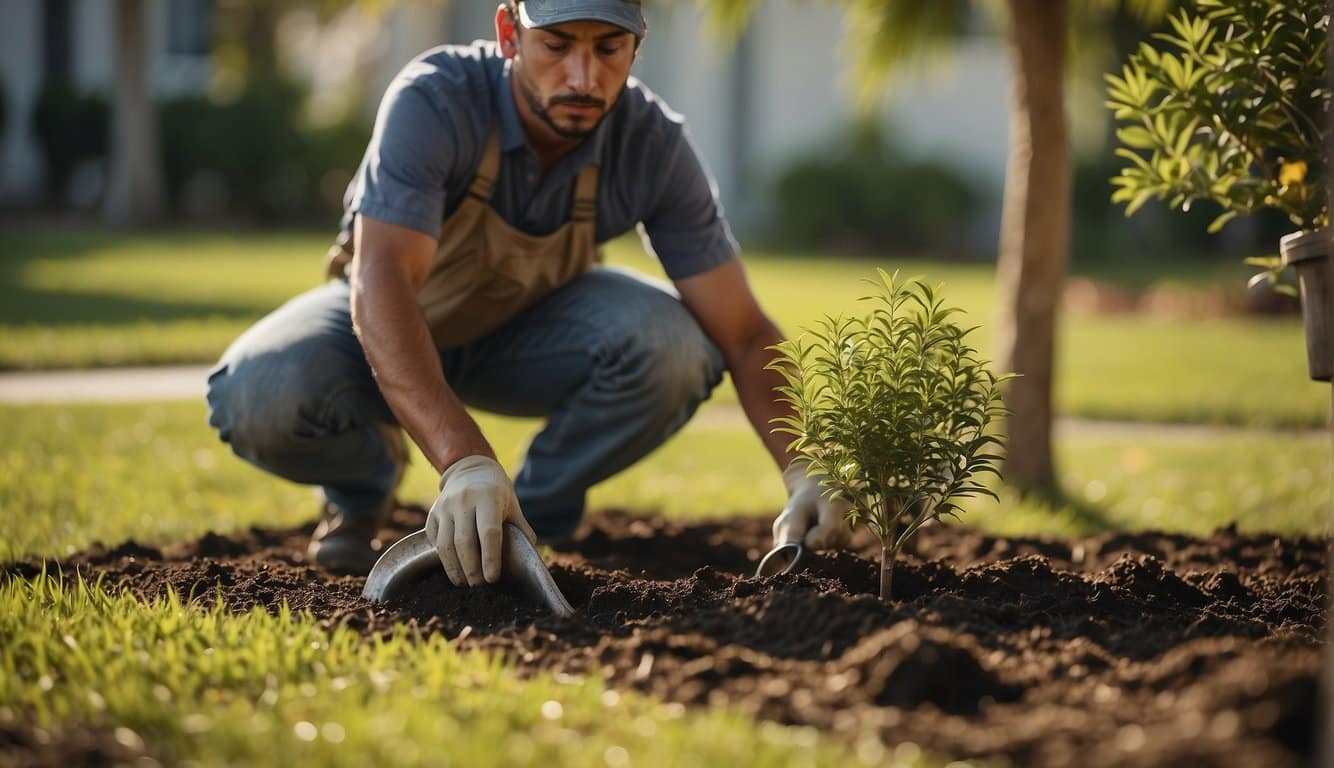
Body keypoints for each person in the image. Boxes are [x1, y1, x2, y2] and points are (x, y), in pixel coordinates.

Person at [205, 0, 850, 582]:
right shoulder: (435, 100)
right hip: (387, 330)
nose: (582, 76)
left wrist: (807, 467)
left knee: (677, 344)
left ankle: (527, 522)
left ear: (636, 48)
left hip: (529, 338)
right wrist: (464, 461)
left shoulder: (650, 143)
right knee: (256, 393)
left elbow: (741, 330)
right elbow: (381, 285)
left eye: (607, 49)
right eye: (557, 44)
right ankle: (365, 482)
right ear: (509, 33)